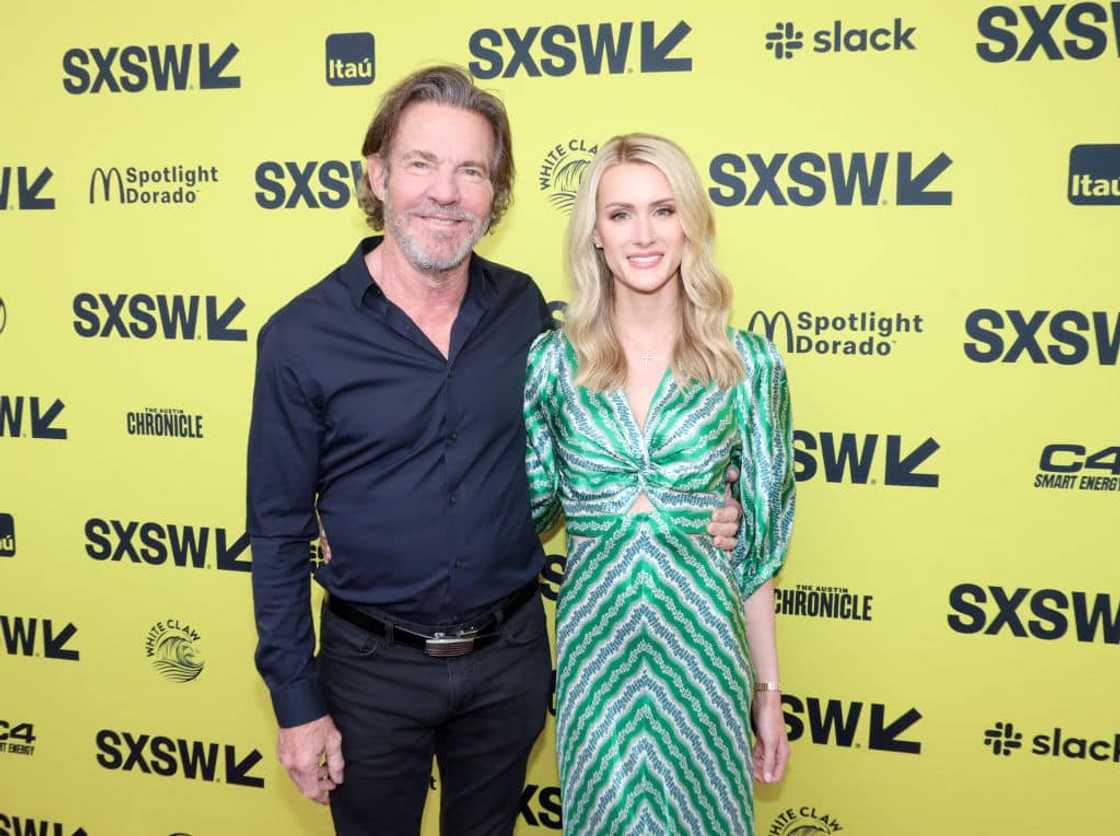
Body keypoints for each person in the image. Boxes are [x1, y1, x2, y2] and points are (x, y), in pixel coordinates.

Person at [246, 67, 743, 836]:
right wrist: (296, 703)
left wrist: (712, 498)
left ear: (495, 195)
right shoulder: (300, 337)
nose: (446, 192)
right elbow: (276, 533)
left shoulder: (529, 317)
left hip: (509, 663)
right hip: (371, 673)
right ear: (377, 175)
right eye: (422, 164)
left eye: (471, 170)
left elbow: (616, 429)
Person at [523, 133, 795, 835]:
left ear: (690, 226)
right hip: (595, 654)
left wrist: (767, 690)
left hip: (704, 650)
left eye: (662, 210)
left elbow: (758, 554)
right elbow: (525, 505)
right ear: (595, 238)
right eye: (619, 215)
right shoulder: (553, 365)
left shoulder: (747, 367)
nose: (643, 234)